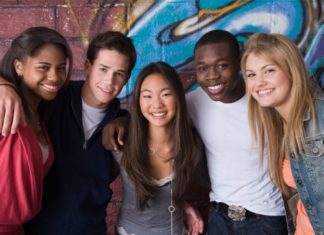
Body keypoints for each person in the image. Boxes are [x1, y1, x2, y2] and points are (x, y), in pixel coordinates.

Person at [102, 30, 288, 234]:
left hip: (265, 218)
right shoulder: (194, 102)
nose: (212, 76)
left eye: (222, 65)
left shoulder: (263, 100)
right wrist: (121, 122)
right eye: (202, 68)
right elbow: (156, 113)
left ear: (240, 63)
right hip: (219, 216)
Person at [0, 31, 136, 235]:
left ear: (127, 78)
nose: (109, 81)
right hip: (36, 229)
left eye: (119, 73)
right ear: (88, 67)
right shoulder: (54, 98)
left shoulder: (123, 125)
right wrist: (3, 85)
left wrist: (126, 121)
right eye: (103, 69)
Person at [241, 33, 324, 234]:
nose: (258, 83)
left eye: (268, 71)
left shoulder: (321, 117)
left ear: (291, 71)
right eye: (251, 74)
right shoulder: (276, 125)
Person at [114, 61, 204, 235]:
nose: (156, 104)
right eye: (147, 96)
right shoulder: (120, 143)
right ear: (138, 100)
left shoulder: (193, 147)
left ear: (178, 97)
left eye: (165, 94)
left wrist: (182, 204)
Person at [0, 26, 72, 235]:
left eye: (61, 68)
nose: (55, 77)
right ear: (19, 67)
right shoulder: (4, 107)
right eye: (44, 67)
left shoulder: (40, 115)